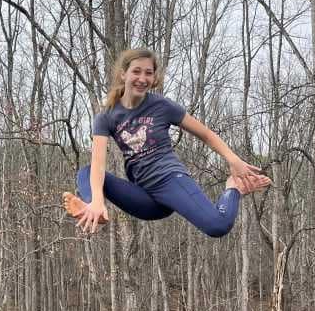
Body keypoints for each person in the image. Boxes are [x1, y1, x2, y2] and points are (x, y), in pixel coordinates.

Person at [63, 48, 271, 237]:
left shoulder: (162, 106)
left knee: (217, 226)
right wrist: (98, 200)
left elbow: (206, 134)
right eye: (136, 71)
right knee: (86, 172)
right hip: (145, 197)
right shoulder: (106, 117)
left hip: (170, 180)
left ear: (154, 78)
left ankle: (233, 188)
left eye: (148, 73)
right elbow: (98, 164)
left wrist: (232, 159)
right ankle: (93, 207)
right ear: (123, 74)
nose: (142, 78)